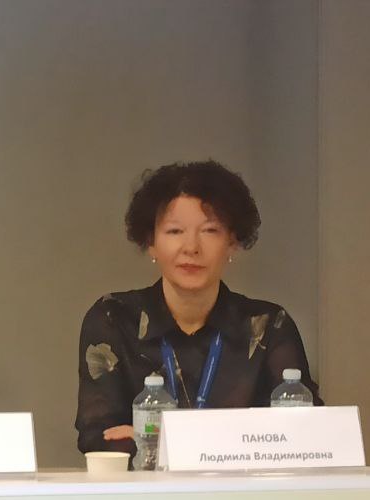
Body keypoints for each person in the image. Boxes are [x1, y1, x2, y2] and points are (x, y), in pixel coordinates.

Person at [76, 160, 322, 456]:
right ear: (151, 242)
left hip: (244, 487)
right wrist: (236, 442)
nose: (191, 247)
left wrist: (157, 440)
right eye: (175, 231)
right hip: (146, 488)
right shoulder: (114, 319)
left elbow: (305, 436)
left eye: (209, 230)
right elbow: (100, 437)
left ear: (232, 242)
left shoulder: (268, 326)